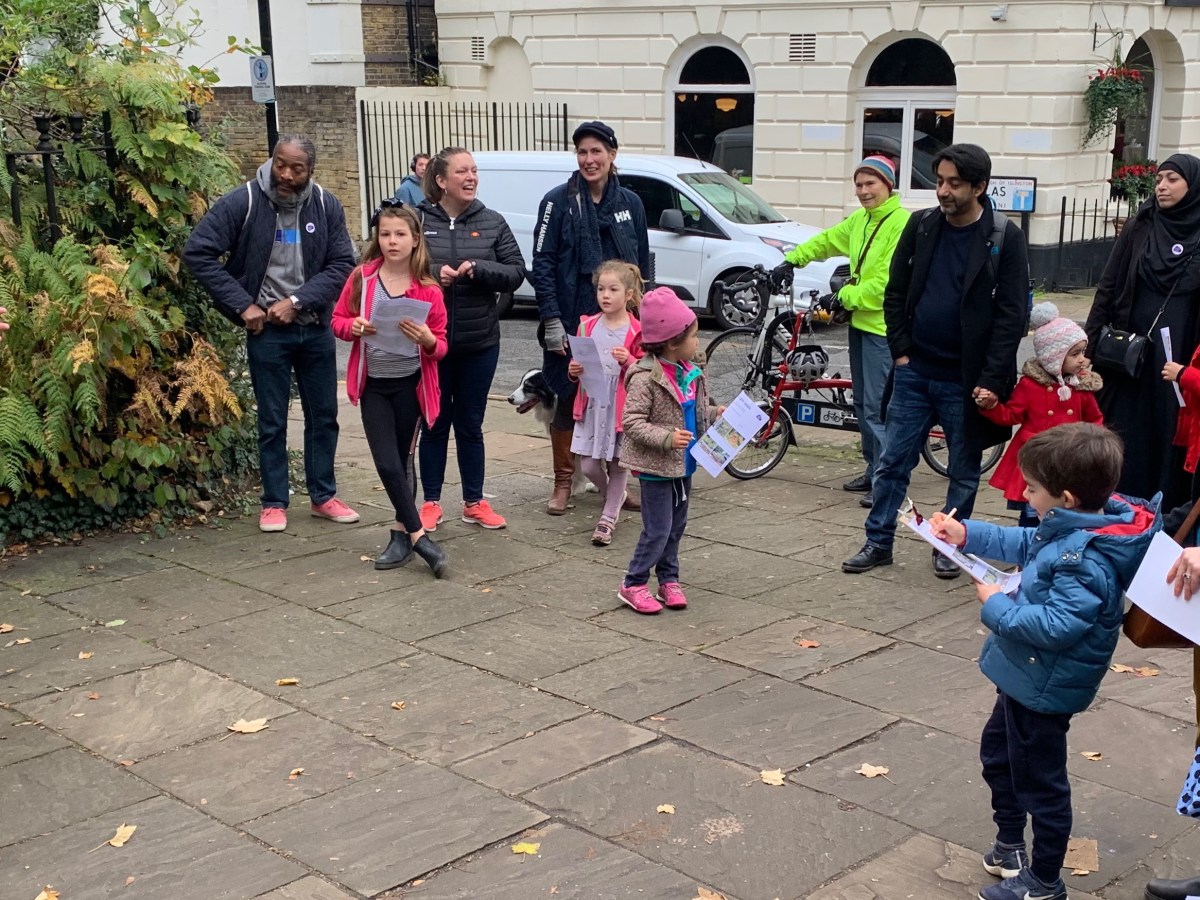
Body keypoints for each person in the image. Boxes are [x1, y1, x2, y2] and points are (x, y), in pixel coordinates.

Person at [929, 423, 1159, 900]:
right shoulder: (1071, 528)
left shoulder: (1086, 560)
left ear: (1067, 497)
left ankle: (1044, 882)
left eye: (1032, 488)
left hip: (1045, 687)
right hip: (1024, 677)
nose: (1026, 495)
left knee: (1041, 785)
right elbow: (1022, 544)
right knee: (999, 757)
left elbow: (1057, 626)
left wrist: (995, 604)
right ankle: (1010, 845)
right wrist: (965, 532)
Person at [843, 143, 1030, 578]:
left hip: (965, 379)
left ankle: (947, 544)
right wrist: (902, 352)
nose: (943, 191)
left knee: (963, 468)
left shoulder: (1004, 236)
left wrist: (991, 377)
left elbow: (1011, 315)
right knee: (892, 461)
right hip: (916, 370)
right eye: (940, 181)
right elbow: (896, 291)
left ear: (979, 187)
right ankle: (878, 541)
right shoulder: (922, 224)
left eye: (954, 184)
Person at [183, 134, 359, 533]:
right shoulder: (242, 201)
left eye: (296, 168)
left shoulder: (326, 205)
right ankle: (274, 502)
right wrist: (243, 305)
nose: (285, 173)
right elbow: (198, 252)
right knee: (273, 419)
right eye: (281, 163)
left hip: (313, 326)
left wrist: (297, 301)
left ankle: (323, 496)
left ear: (310, 171)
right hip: (267, 332)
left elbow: (340, 264)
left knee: (324, 416)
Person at [772, 155, 910, 509]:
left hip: (883, 329)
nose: (864, 192)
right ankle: (872, 467)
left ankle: (887, 479)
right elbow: (828, 240)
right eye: (859, 185)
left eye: (871, 184)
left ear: (888, 186)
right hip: (860, 325)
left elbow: (883, 285)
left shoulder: (900, 224)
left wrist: (842, 296)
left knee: (879, 409)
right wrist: (792, 260)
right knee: (863, 403)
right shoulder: (861, 220)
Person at [531, 120, 651, 515]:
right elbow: (543, 264)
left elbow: (642, 262)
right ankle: (565, 481)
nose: (589, 159)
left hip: (621, 323)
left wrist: (646, 315)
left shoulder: (630, 203)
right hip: (572, 319)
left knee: (621, 402)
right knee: (569, 397)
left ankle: (615, 488)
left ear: (612, 155)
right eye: (582, 151)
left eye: (596, 151)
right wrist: (551, 319)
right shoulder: (556, 201)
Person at [331, 203, 448, 577]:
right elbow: (337, 320)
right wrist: (354, 328)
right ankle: (420, 537)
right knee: (385, 461)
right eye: (384, 234)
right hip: (374, 386)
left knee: (403, 459)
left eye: (400, 234)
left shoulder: (428, 291)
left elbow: (442, 346)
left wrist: (428, 339)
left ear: (415, 240)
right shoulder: (362, 279)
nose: (391, 241)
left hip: (411, 385)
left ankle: (400, 534)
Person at [416, 147, 527, 532]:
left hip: (479, 342)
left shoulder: (492, 221)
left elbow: (516, 272)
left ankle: (474, 502)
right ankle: (430, 502)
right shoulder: (418, 220)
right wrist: (433, 271)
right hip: (432, 343)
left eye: (474, 171)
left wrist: (479, 269)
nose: (471, 177)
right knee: (433, 423)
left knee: (469, 424)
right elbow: (395, 265)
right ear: (441, 180)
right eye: (462, 171)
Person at [1085, 154, 1200, 509]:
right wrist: (1090, 345)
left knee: (1167, 430)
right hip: (1130, 352)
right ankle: (1116, 506)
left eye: (1172, 179)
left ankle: (1162, 511)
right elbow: (1110, 283)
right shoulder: (1143, 224)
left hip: (1178, 351)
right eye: (1159, 179)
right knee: (1124, 428)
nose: (1162, 186)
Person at [618, 288, 720, 615]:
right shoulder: (645, 378)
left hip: (684, 464)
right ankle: (633, 583)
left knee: (676, 527)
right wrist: (665, 437)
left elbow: (698, 409)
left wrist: (717, 414)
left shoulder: (690, 371)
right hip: (657, 468)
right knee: (658, 529)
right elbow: (631, 421)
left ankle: (668, 579)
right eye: (693, 336)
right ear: (672, 342)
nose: (697, 342)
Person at [976, 302, 1103, 527]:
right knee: (1033, 510)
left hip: (1068, 458)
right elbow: (1011, 415)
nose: (1082, 359)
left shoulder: (1080, 387)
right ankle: (1028, 552)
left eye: (1082, 352)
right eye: (1074, 354)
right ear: (1054, 357)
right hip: (1037, 459)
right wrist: (991, 406)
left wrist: (1093, 445)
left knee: (1067, 510)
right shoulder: (1030, 385)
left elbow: (1094, 420)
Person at [568, 260, 644, 546]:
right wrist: (573, 371)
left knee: (618, 464)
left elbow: (646, 371)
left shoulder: (637, 330)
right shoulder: (587, 325)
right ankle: (617, 494)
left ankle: (608, 518)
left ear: (628, 295)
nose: (606, 295)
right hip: (593, 404)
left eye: (613, 289)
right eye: (601, 289)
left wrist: (630, 362)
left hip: (621, 407)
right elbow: (579, 364)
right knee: (588, 466)